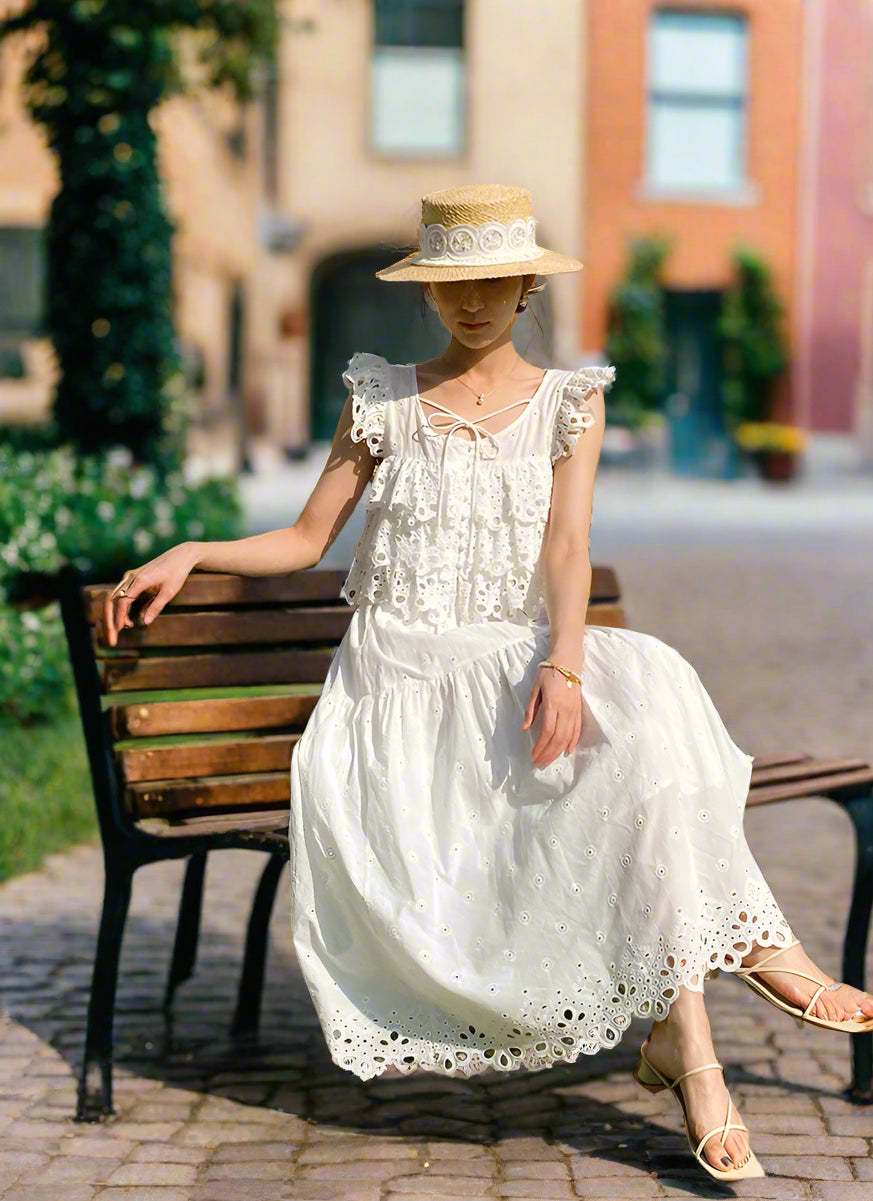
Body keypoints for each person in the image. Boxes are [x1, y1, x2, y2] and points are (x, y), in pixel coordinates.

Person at [103, 183, 873, 1182]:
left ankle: (703, 1024)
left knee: (650, 711)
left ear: (524, 288)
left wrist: (564, 661)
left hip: (509, 667)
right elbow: (304, 538)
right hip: (399, 688)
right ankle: (709, 1024)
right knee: (636, 759)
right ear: (427, 291)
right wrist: (193, 549)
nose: (472, 301)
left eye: (494, 281)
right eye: (452, 283)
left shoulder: (569, 401)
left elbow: (567, 549)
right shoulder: (382, 398)